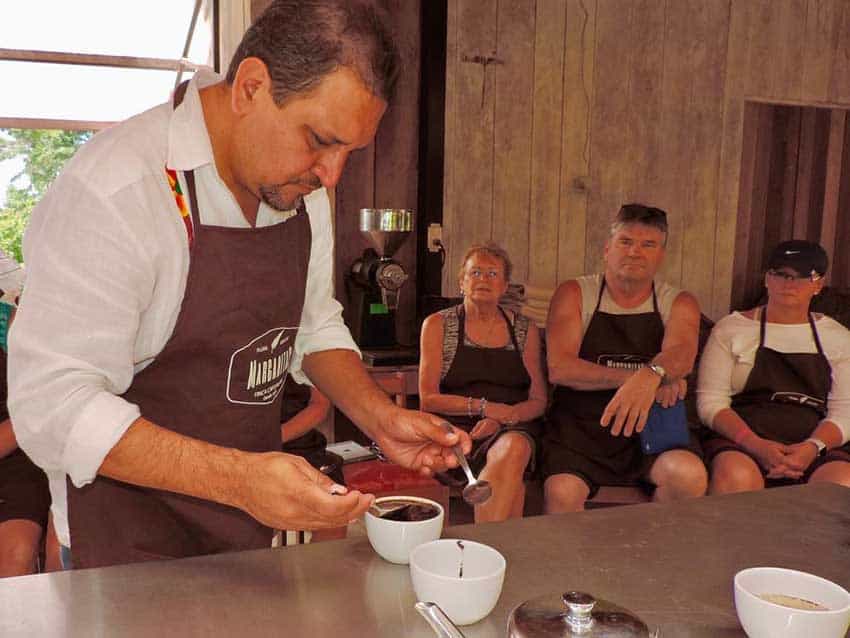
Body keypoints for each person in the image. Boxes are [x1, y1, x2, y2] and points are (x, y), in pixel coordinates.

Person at [8, 0, 468, 570]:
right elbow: (51, 403)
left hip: (245, 541)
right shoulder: (119, 191)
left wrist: (380, 417)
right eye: (321, 139)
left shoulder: (299, 190)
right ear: (251, 86)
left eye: (350, 150)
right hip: (126, 547)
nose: (332, 175)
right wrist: (242, 480)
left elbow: (313, 324)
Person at [542, 204, 708, 512]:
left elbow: (682, 356)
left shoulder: (679, 301)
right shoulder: (576, 293)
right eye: (626, 242)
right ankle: (569, 561)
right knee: (562, 491)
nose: (635, 252)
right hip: (581, 433)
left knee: (688, 476)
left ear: (661, 255)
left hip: (651, 431)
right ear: (607, 249)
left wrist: (653, 375)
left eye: (648, 245)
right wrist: (647, 379)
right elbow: (561, 368)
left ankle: (651, 554)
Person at [697, 240, 850, 493]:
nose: (789, 284)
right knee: (737, 477)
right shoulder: (730, 329)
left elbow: (845, 412)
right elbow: (710, 404)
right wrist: (755, 445)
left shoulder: (839, 338)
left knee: (840, 485)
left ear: (818, 285)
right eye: (781, 274)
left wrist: (812, 448)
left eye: (803, 276)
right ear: (767, 279)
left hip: (816, 447)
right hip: (743, 442)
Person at [419, 243, 547, 522]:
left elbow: (538, 401)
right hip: (454, 427)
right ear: (461, 282)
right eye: (475, 272)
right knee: (513, 484)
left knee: (513, 448)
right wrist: (485, 408)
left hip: (512, 425)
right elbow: (428, 398)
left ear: (504, 286)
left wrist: (502, 419)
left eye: (492, 274)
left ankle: (486, 545)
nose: (483, 280)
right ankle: (499, 549)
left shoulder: (525, 330)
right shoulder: (439, 325)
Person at [0, 253, 51, 577]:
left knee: (16, 557)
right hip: (20, 433)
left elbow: (38, 404)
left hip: (18, 461)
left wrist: (31, 418)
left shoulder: (16, 325)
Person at [280, 379, 346, 542]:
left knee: (334, 507)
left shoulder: (304, 354)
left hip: (300, 443)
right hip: (243, 443)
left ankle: (323, 563)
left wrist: (275, 437)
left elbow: (320, 405)